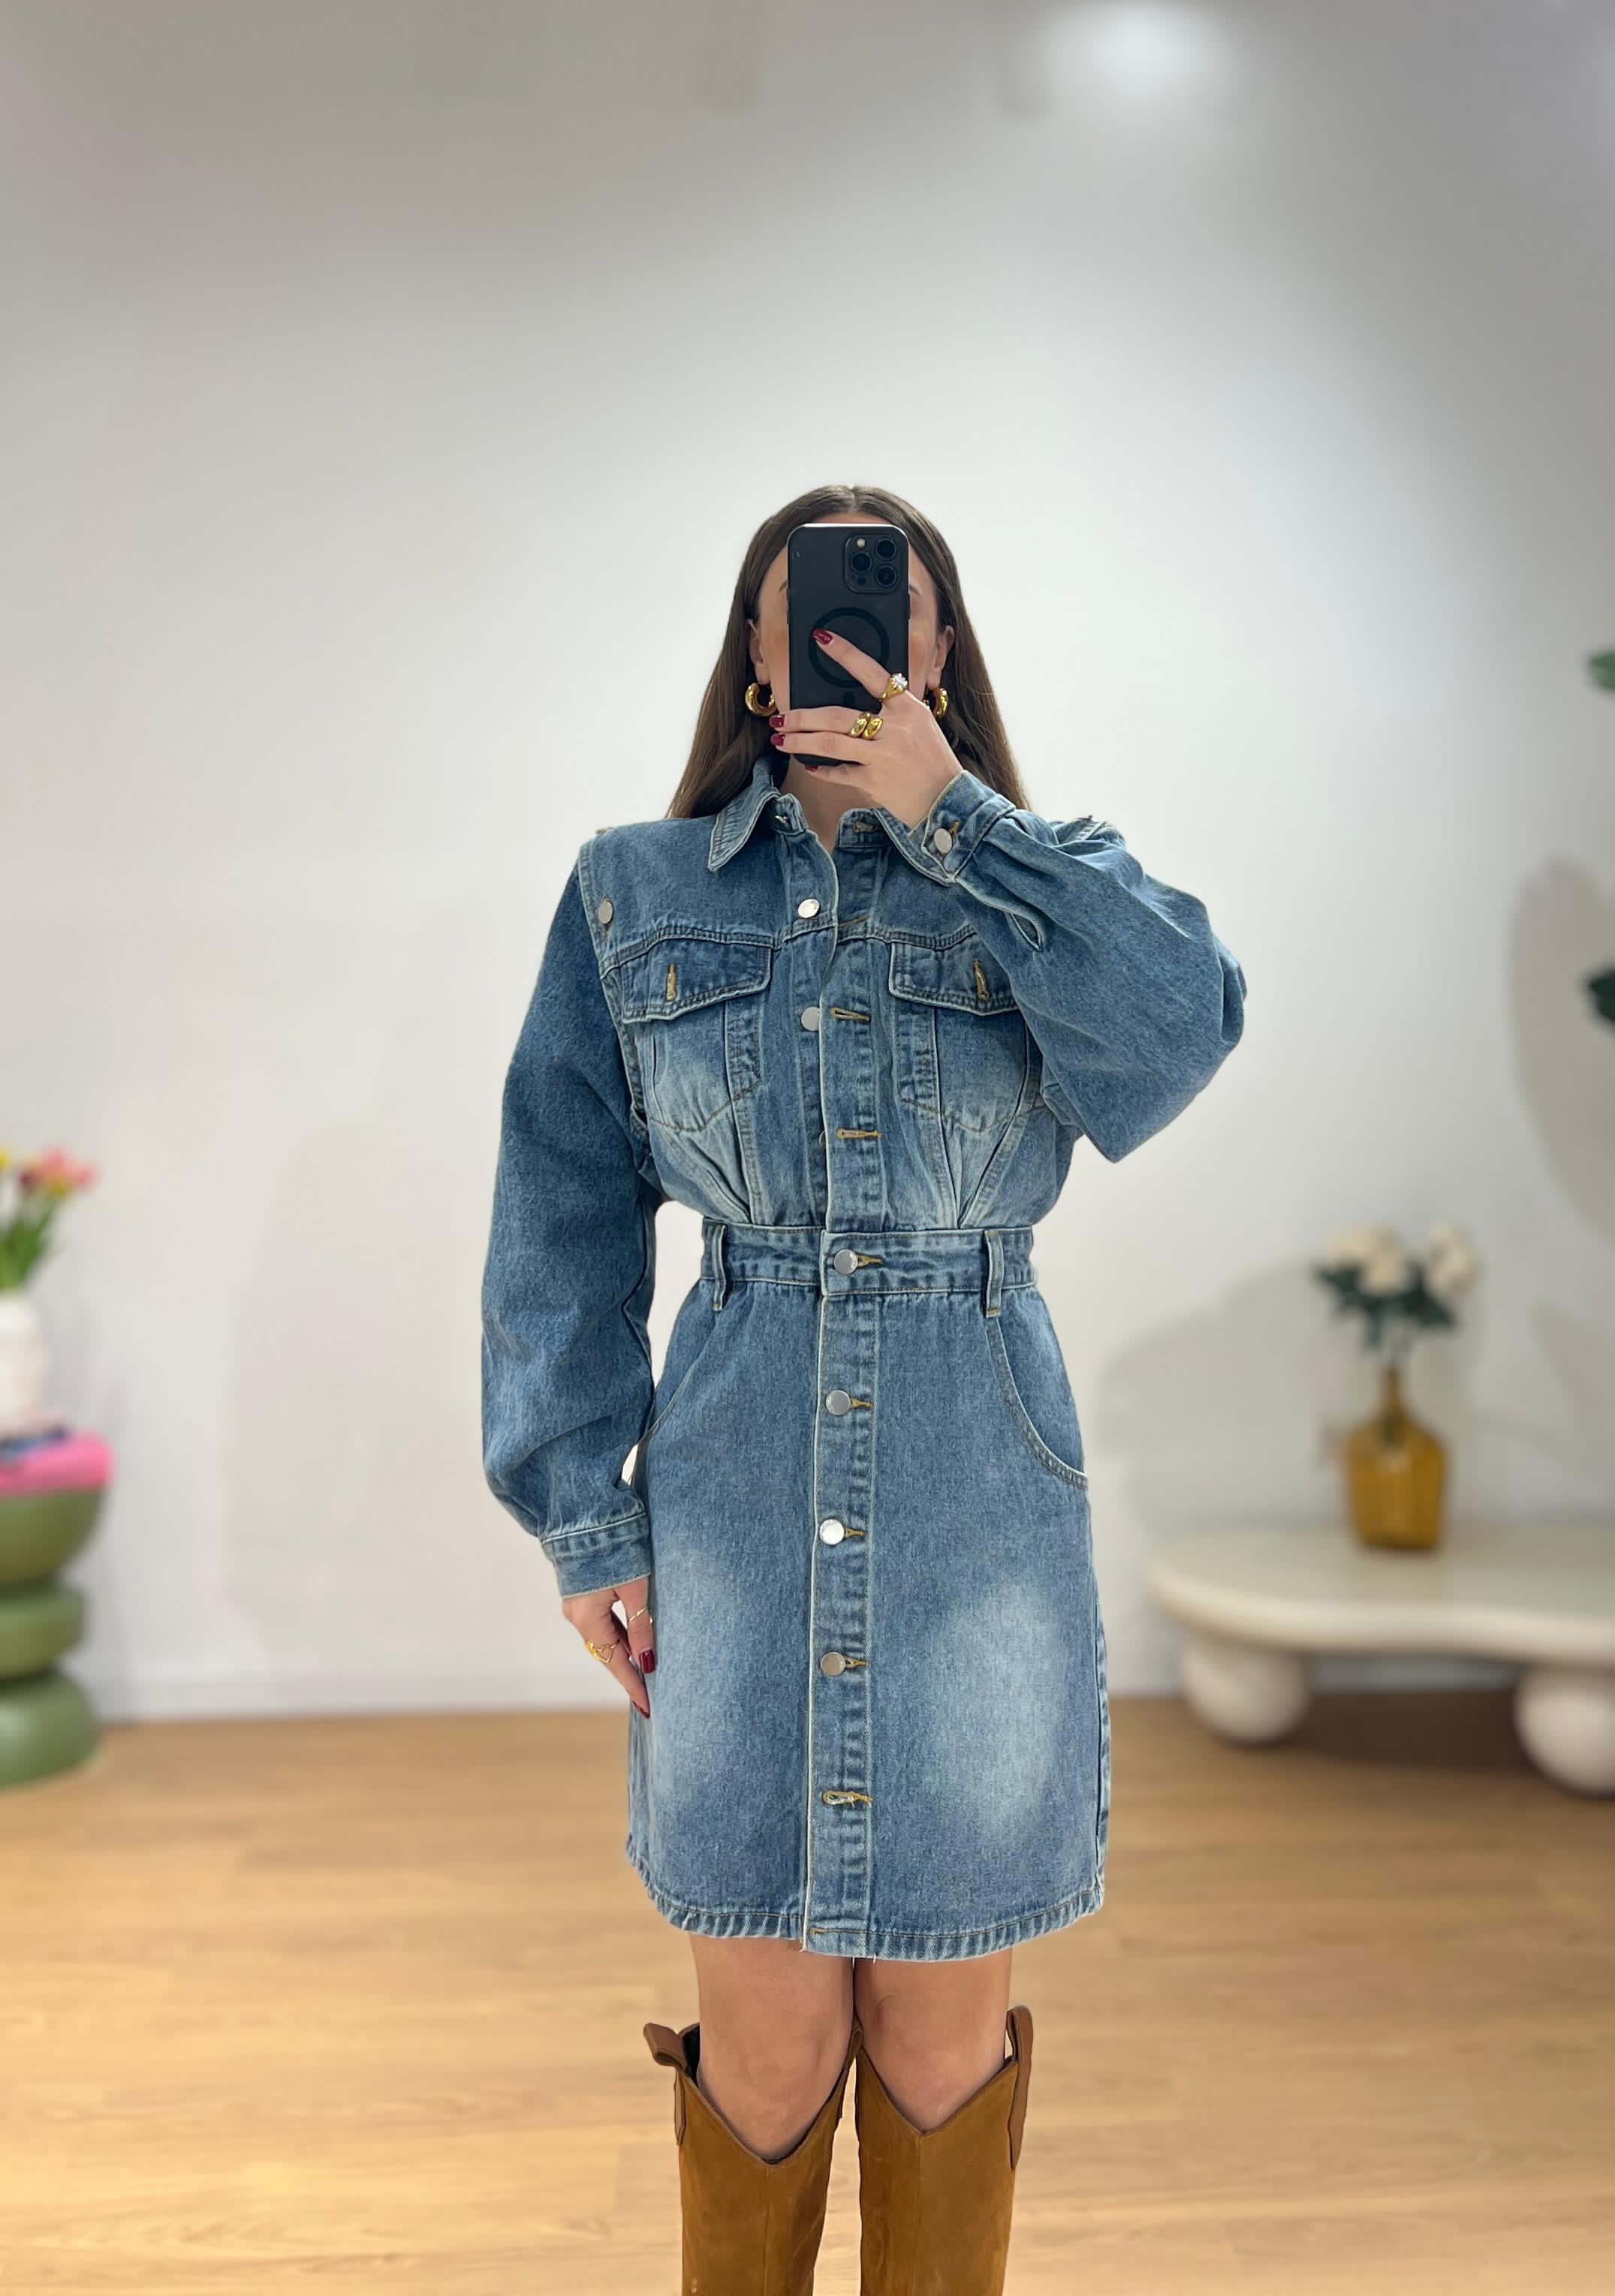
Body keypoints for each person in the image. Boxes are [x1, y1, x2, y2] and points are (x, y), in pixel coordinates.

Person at [480, 482, 1247, 2294]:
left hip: (977, 1502)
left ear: (936, 645)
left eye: (880, 605)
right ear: (752, 656)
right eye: (802, 609)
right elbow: (561, 1208)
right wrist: (584, 1515)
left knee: (934, 2038)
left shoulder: (1040, 875)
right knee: (763, 2039)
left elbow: (1182, 1033)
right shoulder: (634, 890)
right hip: (732, 1496)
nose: (837, 635)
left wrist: (956, 816)